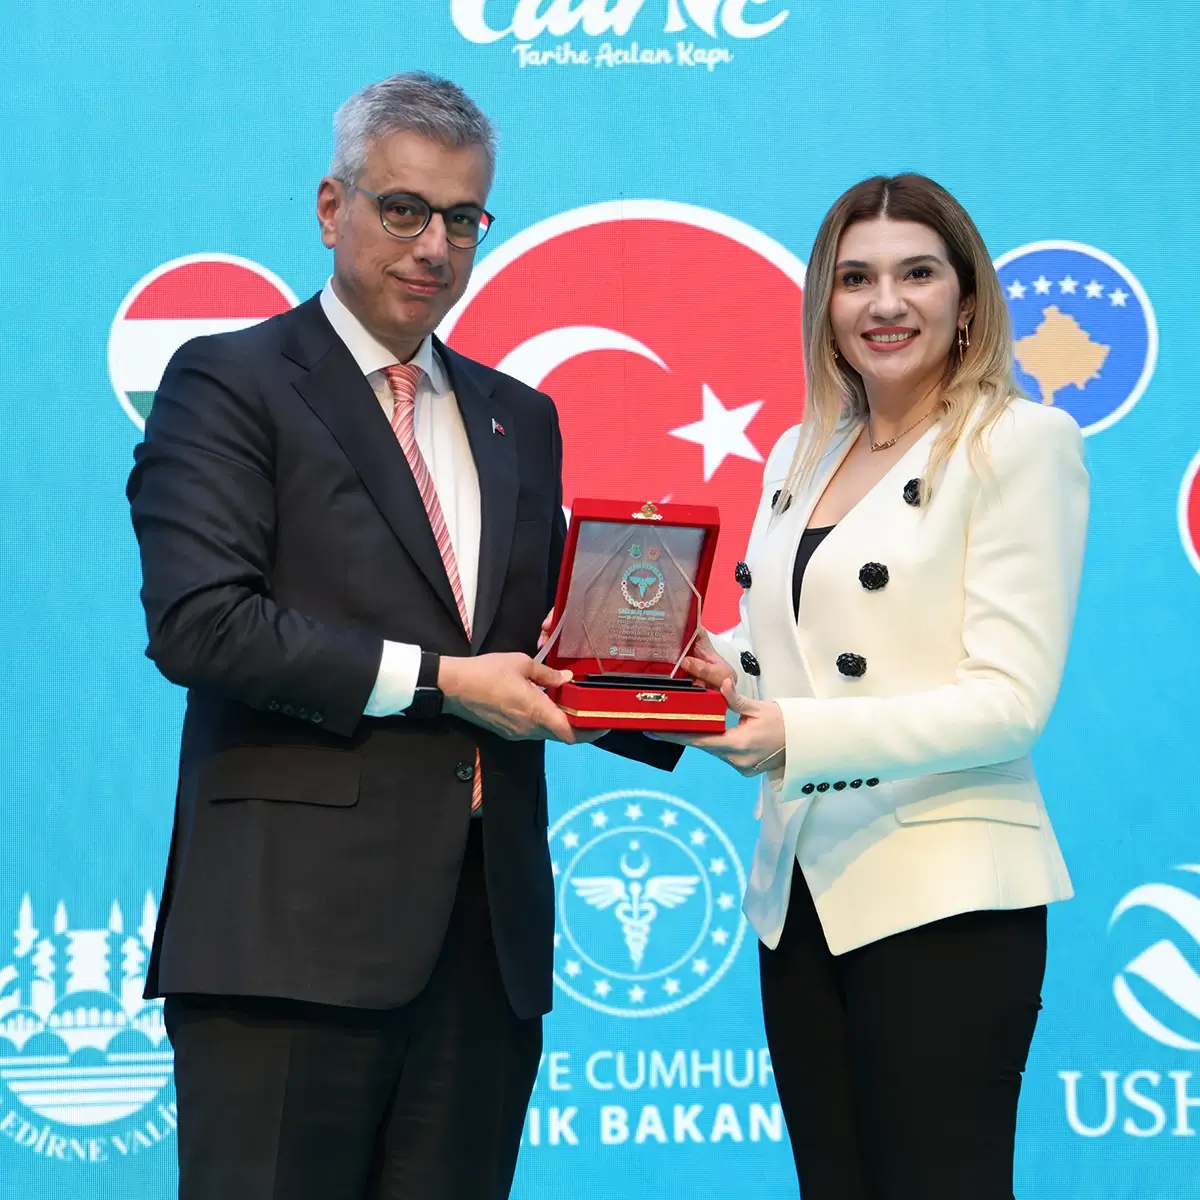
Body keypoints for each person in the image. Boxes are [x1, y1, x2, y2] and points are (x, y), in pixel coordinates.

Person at [126, 72, 677, 1200]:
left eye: (463, 219)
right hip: (285, 944)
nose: (434, 246)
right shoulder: (229, 381)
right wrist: (443, 682)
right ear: (333, 208)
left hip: (484, 949)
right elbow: (201, 623)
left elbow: (537, 653)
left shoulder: (520, 415)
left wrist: (679, 687)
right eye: (404, 209)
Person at [668, 174, 1088, 1198]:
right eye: (855, 278)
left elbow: (1009, 702)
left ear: (968, 300)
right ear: (826, 303)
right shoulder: (801, 449)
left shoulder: (1019, 442)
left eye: (917, 274)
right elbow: (792, 656)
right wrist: (674, 664)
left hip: (945, 897)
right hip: (801, 895)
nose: (884, 303)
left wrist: (796, 737)